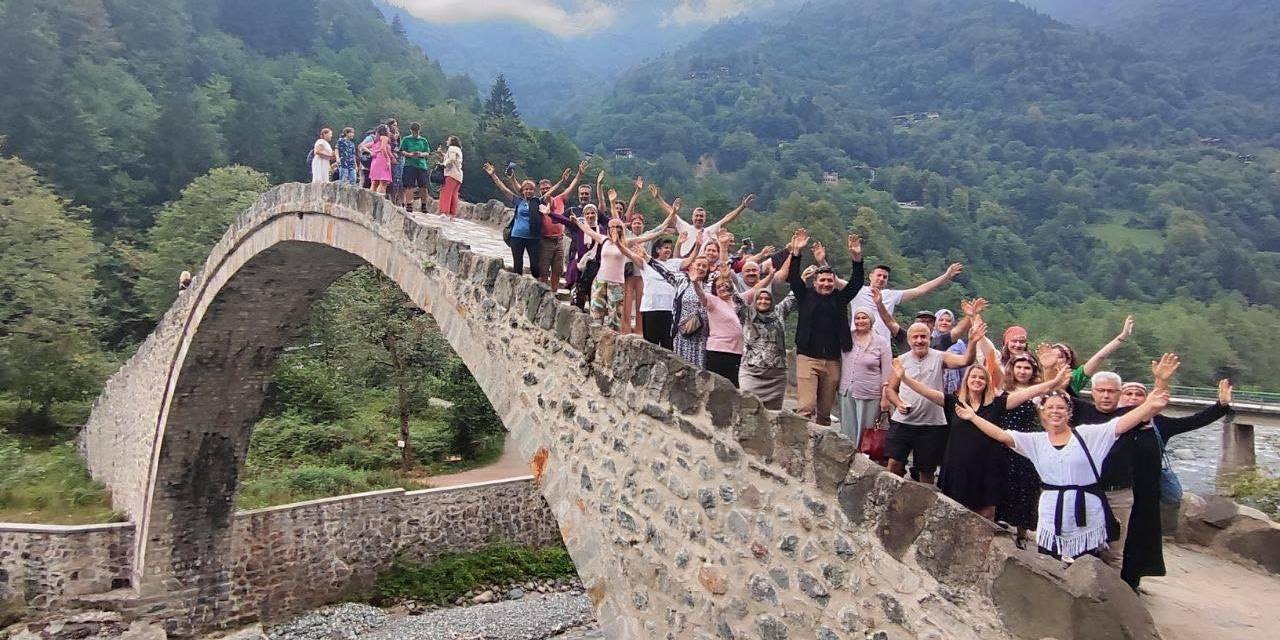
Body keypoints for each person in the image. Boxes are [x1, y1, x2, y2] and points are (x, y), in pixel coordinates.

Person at [955, 386, 1172, 560]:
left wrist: (1154, 395)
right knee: (1051, 559)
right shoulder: (1036, 441)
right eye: (1050, 408)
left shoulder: (1088, 435)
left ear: (1069, 413)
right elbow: (1002, 435)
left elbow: (1124, 423)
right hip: (1052, 507)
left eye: (1060, 408)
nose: (1055, 412)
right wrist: (973, 417)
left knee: (1087, 560)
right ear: (1043, 413)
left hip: (1085, 508)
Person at [896, 359, 1068, 519]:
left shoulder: (998, 404)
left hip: (988, 467)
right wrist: (904, 377)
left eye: (981, 378)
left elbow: (1030, 392)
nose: (977, 380)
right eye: (973, 376)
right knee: (952, 512)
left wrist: (1053, 382)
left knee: (986, 513)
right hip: (958, 466)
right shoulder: (953, 402)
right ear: (966, 380)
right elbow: (925, 391)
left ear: (987, 382)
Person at [1115, 377, 1233, 590]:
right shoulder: (1105, 419)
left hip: (1146, 492)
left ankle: (1131, 583)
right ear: (1119, 396)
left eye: (1138, 394)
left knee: (1139, 538)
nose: (1133, 398)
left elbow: (1194, 421)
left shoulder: (1159, 423)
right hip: (1113, 489)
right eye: (1128, 393)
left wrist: (1221, 406)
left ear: (1146, 399)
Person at [883, 321, 982, 484]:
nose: (919, 341)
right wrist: (898, 403)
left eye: (923, 337)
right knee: (893, 464)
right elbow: (891, 389)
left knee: (926, 470)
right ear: (909, 341)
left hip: (932, 424)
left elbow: (966, 361)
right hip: (903, 422)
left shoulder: (939, 357)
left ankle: (924, 507)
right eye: (915, 337)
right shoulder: (900, 360)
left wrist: (972, 341)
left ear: (930, 338)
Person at [787, 229, 864, 426]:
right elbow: (794, 278)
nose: (827, 283)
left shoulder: (840, 298)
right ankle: (800, 446)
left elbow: (856, 283)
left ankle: (821, 449)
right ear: (815, 281)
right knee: (806, 406)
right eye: (822, 280)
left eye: (830, 280)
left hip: (832, 360)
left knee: (825, 411)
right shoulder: (805, 296)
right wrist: (796, 253)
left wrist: (856, 258)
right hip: (807, 357)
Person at [996, 353, 1050, 548]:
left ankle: (1022, 532)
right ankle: (999, 521)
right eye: (1019, 367)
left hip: (1028, 443)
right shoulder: (1003, 389)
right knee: (1003, 482)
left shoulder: (1040, 393)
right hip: (1004, 441)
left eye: (1027, 368)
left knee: (1026, 486)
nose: (1022, 371)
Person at [572, 216, 662, 330]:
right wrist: (577, 222)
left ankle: (611, 344)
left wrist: (661, 232)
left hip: (616, 284)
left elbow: (645, 237)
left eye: (617, 226)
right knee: (596, 314)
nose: (614, 229)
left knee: (614, 318)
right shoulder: (603, 240)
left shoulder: (627, 242)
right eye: (612, 226)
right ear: (608, 229)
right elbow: (588, 230)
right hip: (600, 281)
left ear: (621, 228)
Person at [850, 261, 965, 342]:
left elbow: (920, 290)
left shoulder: (891, 295)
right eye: (878, 275)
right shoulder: (856, 291)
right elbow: (833, 280)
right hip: (857, 342)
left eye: (885, 277)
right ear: (870, 276)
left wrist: (946, 276)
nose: (881, 279)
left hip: (881, 346)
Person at [735, 254, 795, 409]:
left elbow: (795, 295)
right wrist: (723, 272)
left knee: (773, 415)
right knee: (748, 409)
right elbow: (734, 297)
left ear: (772, 301)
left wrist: (796, 257)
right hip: (751, 372)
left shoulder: (780, 311)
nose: (763, 301)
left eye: (767, 299)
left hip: (777, 374)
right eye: (760, 299)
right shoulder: (747, 313)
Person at [1037, 315, 1135, 395]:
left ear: (1068, 361)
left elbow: (1099, 357)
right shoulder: (1037, 377)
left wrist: (1122, 336)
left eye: (1059, 357)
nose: (1054, 360)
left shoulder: (1075, 376)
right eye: (1050, 356)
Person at [837, 306, 892, 448]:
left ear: (871, 320)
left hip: (869, 392)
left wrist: (885, 397)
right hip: (847, 390)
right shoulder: (848, 337)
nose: (860, 321)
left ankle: (863, 461)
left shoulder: (880, 342)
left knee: (866, 431)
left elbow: (887, 373)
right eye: (857, 318)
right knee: (847, 430)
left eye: (864, 317)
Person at [646, 251, 712, 369]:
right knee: (681, 369)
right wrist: (648, 259)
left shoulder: (711, 285)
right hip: (684, 334)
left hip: (703, 337)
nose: (701, 268)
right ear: (691, 266)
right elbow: (665, 272)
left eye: (704, 266)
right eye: (698, 265)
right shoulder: (682, 281)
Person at [483, 162, 543, 278]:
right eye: (526, 189)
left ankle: (538, 289)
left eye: (531, 189)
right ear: (523, 191)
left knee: (535, 267)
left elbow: (551, 193)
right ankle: (517, 290)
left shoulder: (538, 202)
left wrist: (563, 181)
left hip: (533, 238)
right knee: (518, 265)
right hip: (517, 236)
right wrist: (493, 175)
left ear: (534, 191)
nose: (528, 191)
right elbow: (504, 189)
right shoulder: (518, 201)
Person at [653, 191, 756, 258]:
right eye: (696, 216)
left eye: (701, 216)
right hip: (682, 261)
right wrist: (658, 198)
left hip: (700, 263)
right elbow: (670, 212)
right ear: (692, 217)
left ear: (705, 218)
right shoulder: (684, 227)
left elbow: (727, 219)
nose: (698, 218)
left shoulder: (709, 231)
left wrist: (742, 207)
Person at [638, 238, 682, 349]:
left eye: (670, 248)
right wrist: (619, 243)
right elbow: (628, 254)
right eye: (666, 247)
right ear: (658, 249)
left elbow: (691, 260)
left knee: (667, 345)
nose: (668, 250)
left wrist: (696, 245)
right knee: (651, 346)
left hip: (669, 309)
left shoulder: (674, 263)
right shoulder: (646, 263)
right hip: (651, 308)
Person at [704, 275, 744, 386]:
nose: (723, 288)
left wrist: (771, 275)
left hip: (737, 351)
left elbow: (756, 289)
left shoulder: (739, 303)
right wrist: (695, 282)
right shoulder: (713, 301)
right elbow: (701, 295)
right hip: (718, 352)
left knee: (734, 388)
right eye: (719, 286)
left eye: (725, 285)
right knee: (716, 388)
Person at [399, 123, 432, 212]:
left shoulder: (423, 140)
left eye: (416, 131)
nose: (415, 133)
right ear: (411, 131)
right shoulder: (406, 139)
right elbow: (402, 151)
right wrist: (410, 154)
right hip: (409, 164)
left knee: (423, 186)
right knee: (409, 185)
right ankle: (409, 204)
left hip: (421, 164)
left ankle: (424, 205)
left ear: (419, 131)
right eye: (414, 131)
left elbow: (427, 153)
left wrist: (420, 154)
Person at [438, 136, 463, 218]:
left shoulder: (452, 148)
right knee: (454, 194)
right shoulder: (458, 150)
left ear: (452, 141)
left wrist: (444, 165)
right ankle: (452, 213)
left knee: (446, 192)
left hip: (451, 174)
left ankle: (444, 212)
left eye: (448, 140)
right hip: (458, 175)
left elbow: (452, 159)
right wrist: (442, 154)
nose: (446, 141)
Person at [366, 125, 394, 195]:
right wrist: (387, 159)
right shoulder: (384, 138)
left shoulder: (376, 140)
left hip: (375, 161)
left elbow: (362, 146)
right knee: (383, 182)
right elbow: (383, 148)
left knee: (375, 182)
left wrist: (372, 152)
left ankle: (371, 199)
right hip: (383, 160)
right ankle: (380, 199)